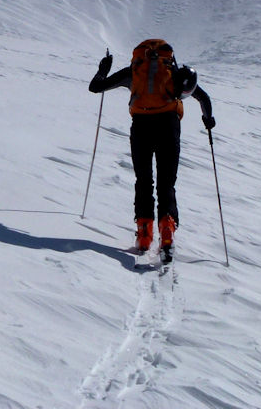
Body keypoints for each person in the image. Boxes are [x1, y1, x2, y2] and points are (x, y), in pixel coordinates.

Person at [89, 39, 215, 254]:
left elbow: (96, 87)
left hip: (141, 127)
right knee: (167, 182)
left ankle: (144, 232)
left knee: (144, 180)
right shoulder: (173, 72)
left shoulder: (133, 71)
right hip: (169, 126)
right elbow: (203, 97)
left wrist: (103, 70)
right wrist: (208, 119)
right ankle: (167, 230)